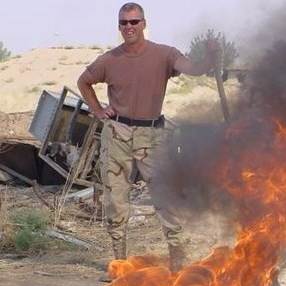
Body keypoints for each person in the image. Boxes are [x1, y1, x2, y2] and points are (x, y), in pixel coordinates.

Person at [78, 2, 219, 272]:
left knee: (166, 199)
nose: (128, 27)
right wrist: (97, 110)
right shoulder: (109, 60)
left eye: (134, 22)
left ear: (144, 23)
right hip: (117, 134)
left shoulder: (164, 54)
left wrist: (208, 59)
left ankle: (178, 264)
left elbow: (193, 68)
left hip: (152, 136)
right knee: (116, 202)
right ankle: (119, 264)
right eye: (123, 23)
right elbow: (83, 81)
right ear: (118, 26)